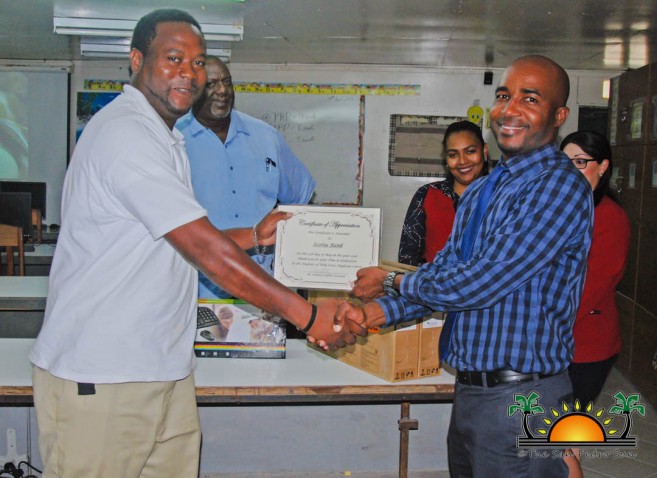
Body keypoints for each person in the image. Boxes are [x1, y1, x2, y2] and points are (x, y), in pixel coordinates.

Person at [28, 9, 359, 478]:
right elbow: (204, 250)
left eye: (198, 62)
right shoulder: (126, 134)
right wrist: (307, 316)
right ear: (137, 60)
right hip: (104, 374)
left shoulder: (166, 138)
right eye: (173, 58)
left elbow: (171, 240)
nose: (189, 72)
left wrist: (252, 235)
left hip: (164, 368)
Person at [343, 55, 593, 477]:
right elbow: (445, 274)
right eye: (504, 96)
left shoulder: (559, 186)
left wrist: (390, 281)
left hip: (522, 399)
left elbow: (481, 281)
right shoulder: (483, 191)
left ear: (559, 116)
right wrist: (375, 313)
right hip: (472, 394)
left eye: (530, 99)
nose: (509, 110)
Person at [177, 56, 315, 299]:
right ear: (192, 90)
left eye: (227, 82)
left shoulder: (266, 137)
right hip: (196, 288)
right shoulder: (175, 140)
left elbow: (301, 201)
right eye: (211, 84)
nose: (222, 91)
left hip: (263, 286)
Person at [560, 130, 631, 407]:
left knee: (566, 423)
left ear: (602, 166)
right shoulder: (565, 210)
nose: (570, 171)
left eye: (580, 162)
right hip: (557, 339)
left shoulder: (610, 216)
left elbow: (593, 285)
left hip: (585, 344)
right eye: (565, 162)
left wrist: (544, 325)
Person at [398, 120, 489, 266]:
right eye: (453, 154)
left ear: (484, 151)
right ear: (446, 159)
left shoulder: (502, 195)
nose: (462, 161)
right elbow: (408, 259)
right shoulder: (427, 194)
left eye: (470, 151)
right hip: (431, 280)